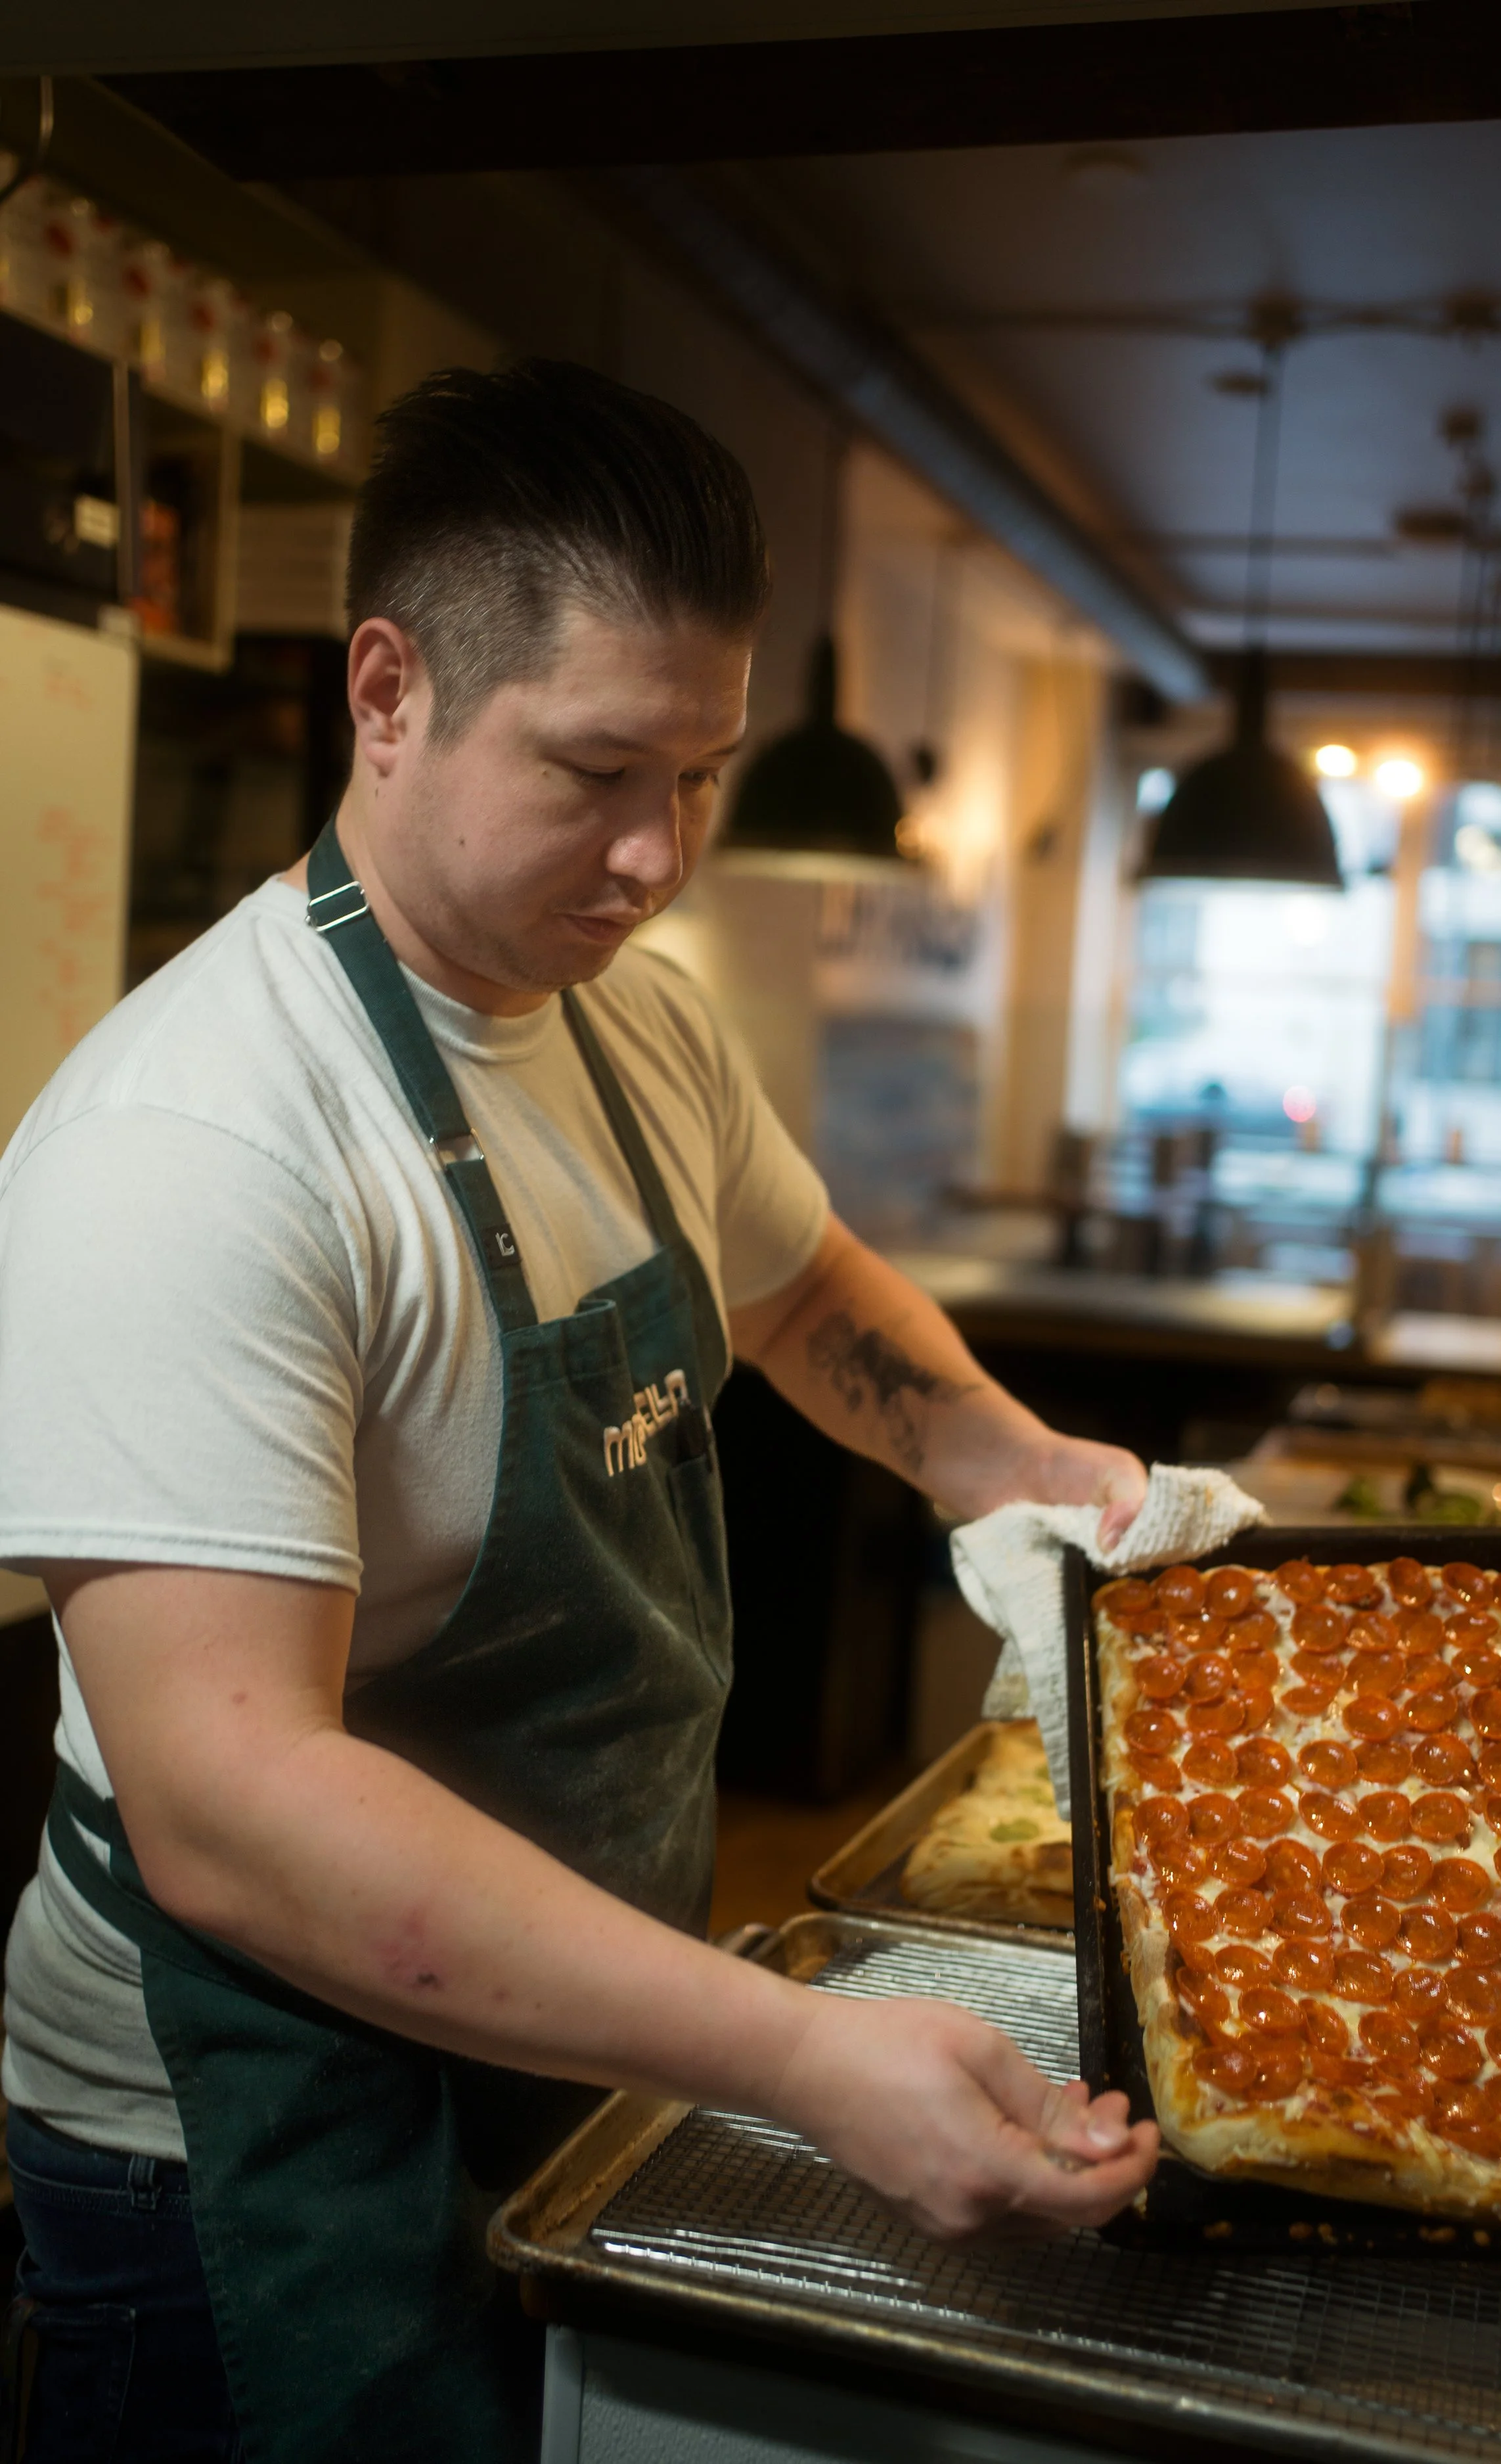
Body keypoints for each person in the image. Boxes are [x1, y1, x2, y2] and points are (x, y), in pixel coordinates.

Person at [0, 361, 1156, 2464]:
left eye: (702, 773)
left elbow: (796, 1278)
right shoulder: (192, 1148)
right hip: (247, 2123)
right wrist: (799, 2054)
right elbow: (234, 1807)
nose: (658, 854)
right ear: (388, 690)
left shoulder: (634, 1024)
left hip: (569, 2007)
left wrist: (1019, 1464)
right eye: (595, 768)